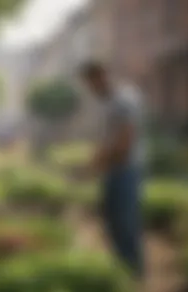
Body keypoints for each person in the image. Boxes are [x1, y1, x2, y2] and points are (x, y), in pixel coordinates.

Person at [79, 61, 145, 277]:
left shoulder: (124, 99)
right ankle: (121, 270)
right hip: (113, 172)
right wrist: (95, 162)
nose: (91, 89)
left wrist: (98, 162)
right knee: (112, 223)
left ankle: (133, 273)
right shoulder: (107, 103)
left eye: (92, 84)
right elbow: (107, 140)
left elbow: (125, 140)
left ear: (102, 76)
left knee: (125, 223)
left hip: (125, 171)